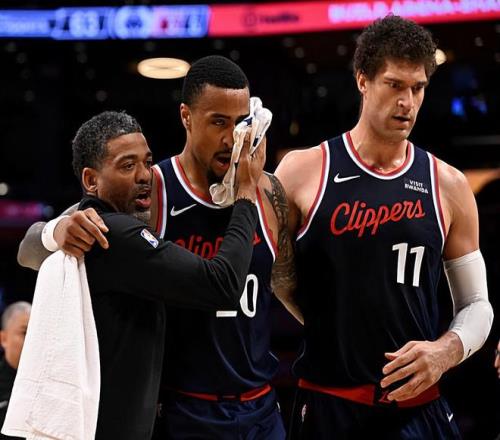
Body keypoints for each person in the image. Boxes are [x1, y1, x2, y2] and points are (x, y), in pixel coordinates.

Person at [17, 57, 298, 439]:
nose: (231, 139)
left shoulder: (267, 190)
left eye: (240, 123)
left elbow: (287, 287)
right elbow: (29, 250)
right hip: (183, 410)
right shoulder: (152, 190)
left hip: (260, 409)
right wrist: (58, 229)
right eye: (218, 122)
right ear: (186, 117)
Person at [275, 15, 494, 439]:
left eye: (418, 88)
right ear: (363, 80)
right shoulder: (303, 170)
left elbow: (477, 304)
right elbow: (275, 278)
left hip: (416, 411)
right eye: (394, 85)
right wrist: (332, 322)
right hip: (328, 404)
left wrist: (445, 351)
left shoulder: (448, 184)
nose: (407, 102)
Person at [0, 302, 31, 440]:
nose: (32, 340)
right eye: (25, 332)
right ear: (4, 339)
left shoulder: (49, 383)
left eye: (36, 334)